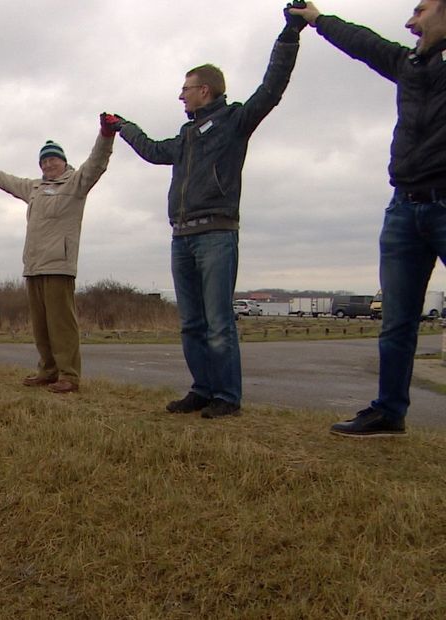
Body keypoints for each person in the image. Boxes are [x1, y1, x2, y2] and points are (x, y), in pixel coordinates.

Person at [105, 8, 302, 418]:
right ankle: (203, 389)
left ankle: (227, 397)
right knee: (191, 324)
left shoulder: (234, 121)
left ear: (206, 91)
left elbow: (272, 88)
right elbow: (155, 151)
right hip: (181, 237)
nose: (180, 95)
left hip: (216, 235)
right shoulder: (186, 135)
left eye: (186, 88)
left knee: (218, 322)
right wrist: (124, 127)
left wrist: (290, 33)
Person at [287, 1, 446, 436]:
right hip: (403, 208)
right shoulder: (408, 64)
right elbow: (363, 43)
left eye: (421, 11)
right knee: (396, 321)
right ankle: (388, 412)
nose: (410, 21)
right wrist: (317, 19)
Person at [0, 128, 115, 393]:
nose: (49, 164)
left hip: (59, 265)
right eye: (44, 161)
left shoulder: (75, 183)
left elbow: (96, 162)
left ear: (63, 161)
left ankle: (69, 375)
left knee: (61, 323)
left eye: (53, 159)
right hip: (34, 266)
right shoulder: (34, 188)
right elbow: (8, 180)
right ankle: (48, 370)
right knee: (41, 325)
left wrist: (106, 134)